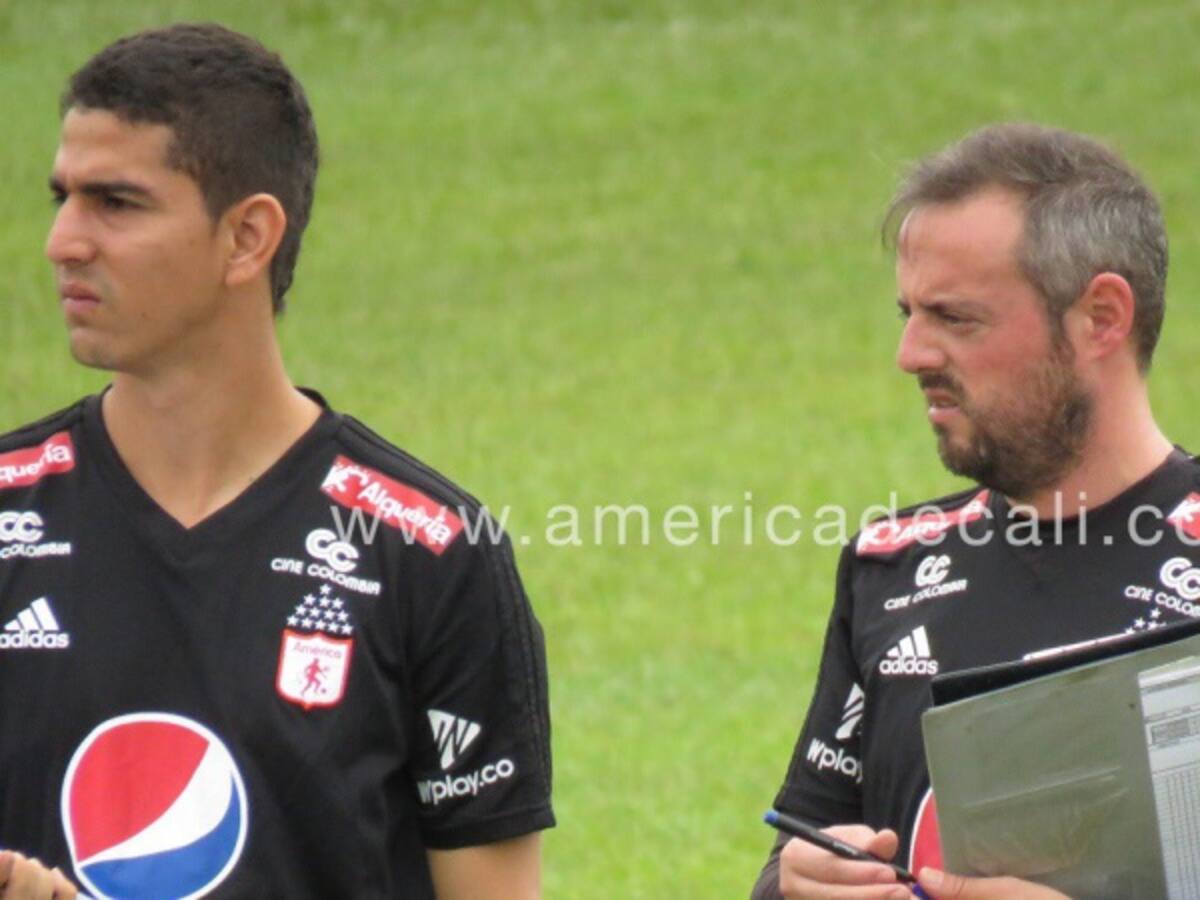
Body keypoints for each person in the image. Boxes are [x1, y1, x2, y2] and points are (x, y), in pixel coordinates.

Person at [0, 23, 553, 899]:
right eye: (61, 198)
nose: (62, 241)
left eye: (117, 202)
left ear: (247, 238)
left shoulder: (429, 552)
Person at [751, 122, 1196, 899]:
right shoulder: (890, 571)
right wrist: (796, 885)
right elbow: (802, 840)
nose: (912, 355)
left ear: (1101, 317)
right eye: (909, 315)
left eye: (956, 318)